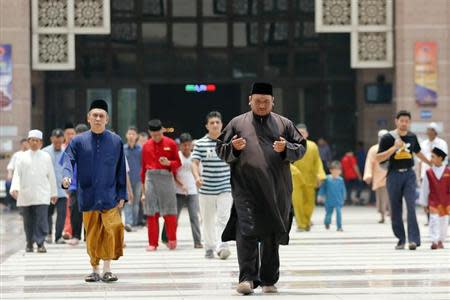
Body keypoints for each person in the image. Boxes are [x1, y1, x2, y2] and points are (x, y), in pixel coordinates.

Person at [216, 82, 306, 295]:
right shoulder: (237, 123)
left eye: (266, 101)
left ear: (273, 102)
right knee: (245, 232)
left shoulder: (284, 124)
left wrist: (287, 148)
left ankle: (268, 279)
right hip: (246, 189)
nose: (262, 105)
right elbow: (221, 148)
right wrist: (233, 149)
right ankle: (247, 278)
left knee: (271, 235)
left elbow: (302, 147)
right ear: (250, 101)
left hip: (277, 189)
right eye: (258, 101)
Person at [62, 99, 127, 282]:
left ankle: (107, 269)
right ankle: (95, 269)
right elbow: (68, 160)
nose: (98, 118)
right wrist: (67, 176)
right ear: (88, 118)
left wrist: (122, 194)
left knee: (111, 229)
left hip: (109, 195)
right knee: (92, 234)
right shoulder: (78, 141)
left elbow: (121, 169)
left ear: (107, 119)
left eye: (101, 116)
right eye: (95, 115)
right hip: (88, 195)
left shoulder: (115, 141)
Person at [376, 110, 431, 250]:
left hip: (409, 175)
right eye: (402, 121)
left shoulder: (412, 137)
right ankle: (401, 239)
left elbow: (418, 152)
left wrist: (430, 163)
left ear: (409, 122)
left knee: (411, 207)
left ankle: (413, 240)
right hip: (393, 175)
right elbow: (379, 158)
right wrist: (394, 148)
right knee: (395, 209)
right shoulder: (388, 138)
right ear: (396, 121)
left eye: (407, 121)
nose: (404, 123)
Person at [191, 111, 232, 259]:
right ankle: (209, 247)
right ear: (207, 126)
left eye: (217, 122)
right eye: (212, 123)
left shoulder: (228, 142)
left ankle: (222, 245)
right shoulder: (200, 144)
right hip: (206, 189)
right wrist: (197, 177)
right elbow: (194, 163)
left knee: (224, 217)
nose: (215, 125)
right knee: (207, 220)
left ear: (222, 125)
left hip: (225, 188)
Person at [10, 130, 57, 253]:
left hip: (42, 194)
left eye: (37, 140)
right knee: (28, 221)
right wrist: (14, 188)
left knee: (41, 220)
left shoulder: (46, 156)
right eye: (32, 140)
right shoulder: (21, 157)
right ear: (28, 141)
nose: (34, 143)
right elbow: (17, 174)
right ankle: (29, 243)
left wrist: (54, 193)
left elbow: (51, 175)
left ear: (41, 143)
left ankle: (40, 243)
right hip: (25, 194)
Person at [141, 119, 181, 251]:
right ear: (149, 133)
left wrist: (169, 163)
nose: (156, 137)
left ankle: (172, 239)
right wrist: (143, 191)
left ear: (162, 131)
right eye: (154, 135)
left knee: (169, 210)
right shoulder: (146, 146)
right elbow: (143, 169)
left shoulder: (171, 143)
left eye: (159, 134)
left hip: (166, 177)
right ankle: (153, 243)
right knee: (151, 210)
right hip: (150, 178)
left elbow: (178, 163)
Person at [291, 124, 326, 231]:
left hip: (310, 179)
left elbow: (317, 162)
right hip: (295, 179)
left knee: (310, 203)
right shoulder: (290, 145)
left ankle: (306, 221)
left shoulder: (313, 146)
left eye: (303, 132)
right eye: (299, 132)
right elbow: (286, 162)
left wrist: (320, 175)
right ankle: (301, 224)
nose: (301, 134)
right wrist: (293, 171)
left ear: (307, 134)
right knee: (298, 203)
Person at [418, 147, 450, 250]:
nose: (431, 158)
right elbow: (424, 188)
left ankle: (441, 240)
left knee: (444, 221)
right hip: (433, 201)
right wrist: (424, 203)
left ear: (440, 158)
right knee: (433, 220)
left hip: (446, 202)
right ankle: (434, 241)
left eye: (433, 156)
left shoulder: (448, 171)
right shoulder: (429, 172)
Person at [175, 133, 203, 248]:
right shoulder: (177, 156)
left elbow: (200, 173)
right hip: (178, 191)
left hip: (192, 191)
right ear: (180, 146)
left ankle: (197, 241)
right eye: (184, 145)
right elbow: (173, 174)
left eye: (188, 145)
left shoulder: (195, 157)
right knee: (174, 217)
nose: (186, 147)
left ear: (191, 145)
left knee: (194, 217)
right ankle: (169, 238)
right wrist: (181, 185)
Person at [65, 123, 89, 246]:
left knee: (89, 211)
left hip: (89, 185)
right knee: (74, 210)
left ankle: (88, 235)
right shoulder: (71, 147)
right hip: (74, 185)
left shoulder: (92, 147)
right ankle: (75, 235)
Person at [43, 129, 67, 244]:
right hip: (48, 190)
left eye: (59, 141)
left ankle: (58, 237)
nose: (57, 143)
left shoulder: (67, 152)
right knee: (48, 213)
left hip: (62, 191)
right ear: (51, 139)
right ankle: (48, 234)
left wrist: (67, 188)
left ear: (63, 139)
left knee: (61, 214)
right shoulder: (45, 152)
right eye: (55, 141)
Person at [364, 129, 390, 223]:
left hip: (390, 177)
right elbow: (369, 163)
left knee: (389, 198)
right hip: (378, 177)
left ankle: (389, 215)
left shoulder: (392, 148)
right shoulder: (374, 149)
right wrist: (368, 175)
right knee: (380, 200)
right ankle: (382, 214)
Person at [318, 161, 346, 231]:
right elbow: (323, 188)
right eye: (334, 170)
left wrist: (344, 197)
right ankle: (327, 222)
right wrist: (320, 195)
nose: (336, 172)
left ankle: (339, 226)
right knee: (329, 213)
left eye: (338, 170)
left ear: (340, 171)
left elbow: (343, 189)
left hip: (338, 200)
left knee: (339, 213)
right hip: (329, 200)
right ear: (331, 170)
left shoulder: (341, 180)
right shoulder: (327, 179)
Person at [123, 126, 142, 231]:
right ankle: (128, 223)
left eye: (133, 134)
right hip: (126, 179)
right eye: (129, 134)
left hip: (138, 179)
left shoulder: (140, 150)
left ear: (136, 136)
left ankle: (134, 223)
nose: (131, 136)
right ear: (126, 135)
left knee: (136, 202)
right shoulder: (123, 149)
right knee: (128, 200)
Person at [4, 138, 29, 211]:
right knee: (8, 183)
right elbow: (10, 166)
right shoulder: (17, 155)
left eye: (26, 144)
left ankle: (23, 206)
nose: (25, 146)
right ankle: (9, 204)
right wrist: (9, 175)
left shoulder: (31, 154)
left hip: (27, 177)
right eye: (23, 145)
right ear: (21, 145)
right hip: (17, 176)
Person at [61, 123, 76, 240]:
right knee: (66, 210)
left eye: (72, 133)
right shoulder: (61, 148)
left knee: (71, 209)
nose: (70, 136)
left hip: (75, 184)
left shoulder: (77, 147)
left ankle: (69, 231)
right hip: (63, 183)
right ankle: (67, 230)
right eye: (68, 134)